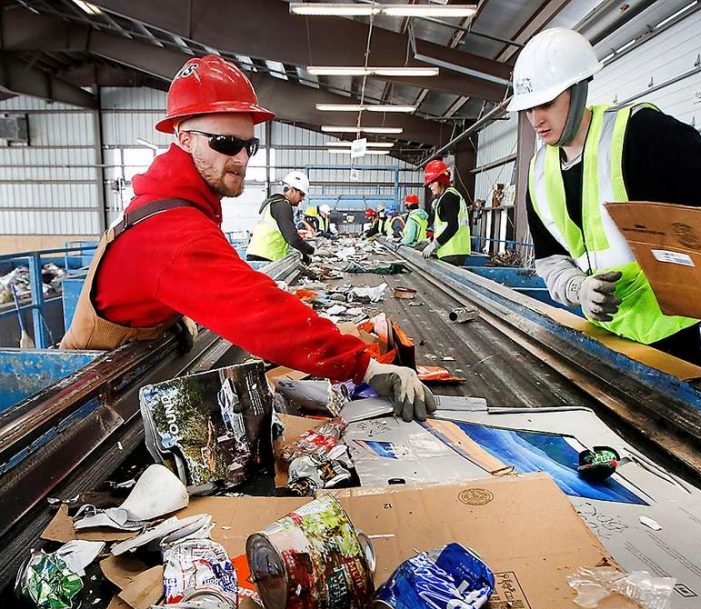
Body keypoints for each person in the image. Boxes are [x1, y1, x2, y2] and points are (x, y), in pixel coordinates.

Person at [60, 55, 434, 422]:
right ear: (185, 138)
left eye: (248, 145)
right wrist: (364, 367)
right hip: (92, 409)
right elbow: (260, 314)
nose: (241, 157)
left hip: (124, 385)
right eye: (225, 142)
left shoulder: (179, 205)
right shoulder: (171, 229)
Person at [512, 28, 701, 361]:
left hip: (668, 338)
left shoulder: (637, 135)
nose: (536, 120)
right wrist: (578, 288)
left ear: (577, 91)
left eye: (545, 103)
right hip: (601, 335)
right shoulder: (537, 174)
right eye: (528, 109)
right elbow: (551, 260)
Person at [246, 170, 314, 265]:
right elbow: (292, 239)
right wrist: (311, 251)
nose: (302, 199)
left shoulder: (276, 203)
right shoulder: (282, 206)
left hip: (261, 256)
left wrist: (304, 254)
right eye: (301, 194)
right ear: (291, 190)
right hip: (264, 258)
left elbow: (286, 235)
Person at [421, 160, 471, 265]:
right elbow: (443, 227)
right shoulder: (446, 197)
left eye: (432, 182)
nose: (430, 186)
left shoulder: (449, 197)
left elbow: (452, 226)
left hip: (453, 251)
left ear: (441, 180)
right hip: (452, 251)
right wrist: (430, 240)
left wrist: (434, 244)